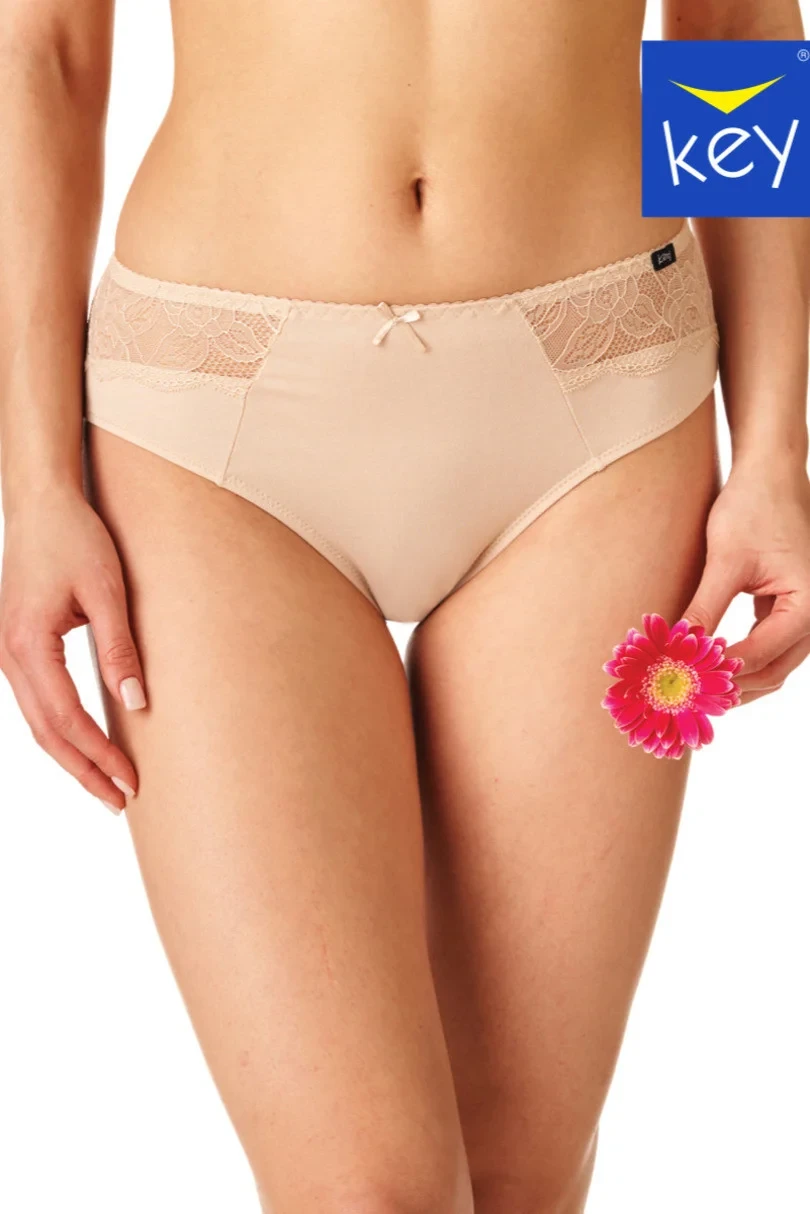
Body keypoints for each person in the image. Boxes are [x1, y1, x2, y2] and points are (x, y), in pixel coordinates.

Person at [1, 2, 809, 1211]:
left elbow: (733, 33)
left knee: (517, 1176)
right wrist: (35, 488)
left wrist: (775, 450)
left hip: (599, 400)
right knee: (365, 1188)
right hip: (211, 424)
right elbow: (44, 49)